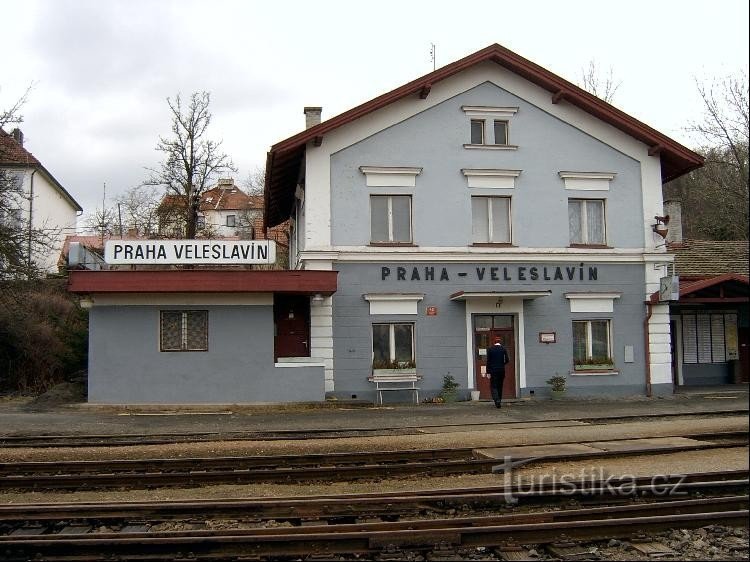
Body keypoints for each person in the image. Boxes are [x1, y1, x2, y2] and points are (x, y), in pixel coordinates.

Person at [486, 336, 510, 408]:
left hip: (493, 371)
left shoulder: (490, 349)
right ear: (500, 342)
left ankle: (496, 400)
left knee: (493, 386)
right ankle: (499, 400)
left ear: (494, 342)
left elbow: (488, 361)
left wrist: (488, 372)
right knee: (500, 386)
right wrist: (502, 364)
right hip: (501, 370)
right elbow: (507, 360)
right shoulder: (503, 349)